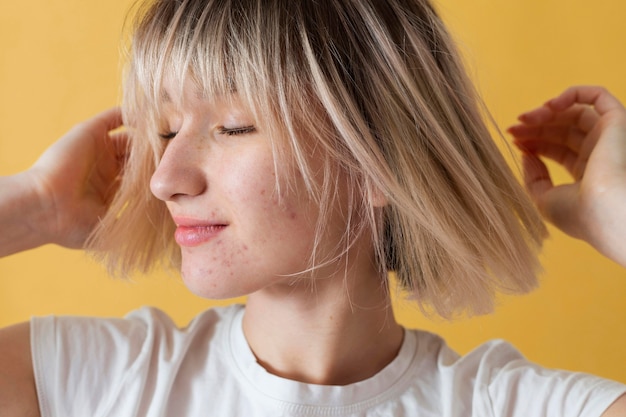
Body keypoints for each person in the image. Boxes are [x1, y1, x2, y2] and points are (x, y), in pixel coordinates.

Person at [0, 0, 624, 416]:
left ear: (380, 164)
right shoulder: (81, 380)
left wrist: (617, 216)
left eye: (234, 126)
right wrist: (33, 207)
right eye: (164, 129)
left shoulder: (516, 406)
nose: (164, 179)